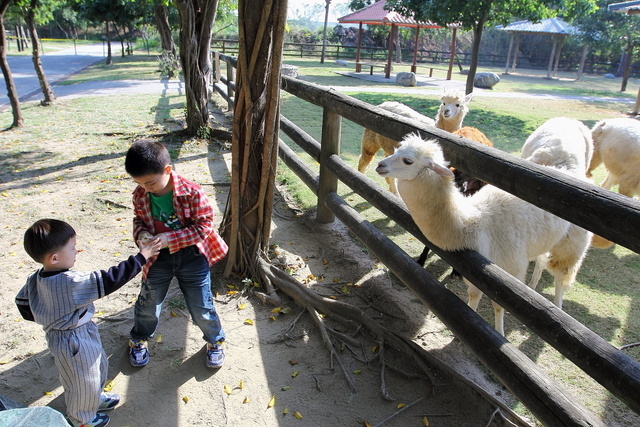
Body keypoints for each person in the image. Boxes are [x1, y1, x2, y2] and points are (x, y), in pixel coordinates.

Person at [15, 218, 162, 427]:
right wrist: (142, 256)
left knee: (97, 366)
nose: (77, 251)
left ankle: (95, 397)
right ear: (55, 258)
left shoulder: (36, 277)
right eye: (73, 248)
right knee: (81, 380)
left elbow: (22, 302)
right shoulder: (69, 283)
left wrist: (44, 315)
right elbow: (110, 279)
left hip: (79, 331)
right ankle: (81, 418)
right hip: (71, 340)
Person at [124, 139, 228, 369]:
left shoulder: (192, 192)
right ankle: (139, 339)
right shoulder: (140, 195)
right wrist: (142, 236)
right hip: (157, 257)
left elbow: (204, 227)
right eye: (140, 183)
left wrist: (170, 238)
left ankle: (215, 340)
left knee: (201, 305)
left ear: (168, 170)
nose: (146, 188)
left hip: (192, 256)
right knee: (148, 303)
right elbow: (139, 220)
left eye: (150, 182)